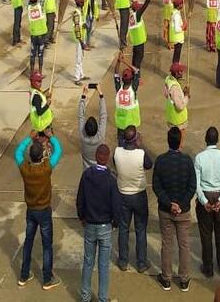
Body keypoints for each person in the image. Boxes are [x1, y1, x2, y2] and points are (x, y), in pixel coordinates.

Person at [15, 127, 62, 289]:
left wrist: (29, 137)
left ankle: (23, 275)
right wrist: (51, 137)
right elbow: (58, 151)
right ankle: (47, 278)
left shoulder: (25, 169)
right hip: (44, 210)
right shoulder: (46, 168)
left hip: (31, 211)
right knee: (47, 244)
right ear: (42, 156)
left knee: (28, 242)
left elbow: (18, 153)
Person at [77, 144, 122, 302]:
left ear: (96, 157)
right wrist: (115, 223)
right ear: (107, 158)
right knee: (103, 265)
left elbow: (80, 199)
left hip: (89, 224)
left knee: (88, 261)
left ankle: (85, 296)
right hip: (105, 226)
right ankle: (103, 298)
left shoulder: (86, 175)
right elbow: (116, 204)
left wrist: (82, 217)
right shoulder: (111, 180)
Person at [153, 126, 196, 292]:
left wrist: (170, 204)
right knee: (184, 245)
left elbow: (157, 185)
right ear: (180, 142)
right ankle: (184, 280)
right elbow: (192, 186)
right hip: (183, 212)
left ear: (168, 141)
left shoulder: (161, 160)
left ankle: (166, 278)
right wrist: (181, 205)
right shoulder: (187, 161)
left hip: (165, 210)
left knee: (167, 244)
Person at [195, 126, 220, 278]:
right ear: (217, 140)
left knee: (206, 235)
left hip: (205, 196)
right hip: (219, 198)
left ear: (206, 139)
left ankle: (208, 267)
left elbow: (196, 184)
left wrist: (204, 201)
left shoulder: (199, 158)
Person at [114, 125, 152, 273]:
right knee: (140, 229)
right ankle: (141, 262)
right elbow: (149, 164)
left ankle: (123, 261)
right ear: (136, 139)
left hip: (122, 194)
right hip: (139, 195)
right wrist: (140, 145)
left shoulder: (117, 152)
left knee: (123, 228)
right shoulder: (141, 154)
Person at [78, 82, 108, 170]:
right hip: (100, 168)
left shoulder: (82, 135)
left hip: (86, 170)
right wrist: (100, 94)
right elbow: (103, 115)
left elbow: (80, 115)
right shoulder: (100, 136)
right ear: (97, 129)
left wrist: (84, 95)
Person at [164, 62, 189, 131]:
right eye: (181, 71)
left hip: (171, 117)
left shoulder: (168, 79)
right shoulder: (175, 88)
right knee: (179, 140)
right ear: (176, 73)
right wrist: (186, 96)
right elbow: (180, 106)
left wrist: (182, 94)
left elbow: (167, 95)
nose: (182, 72)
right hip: (178, 121)